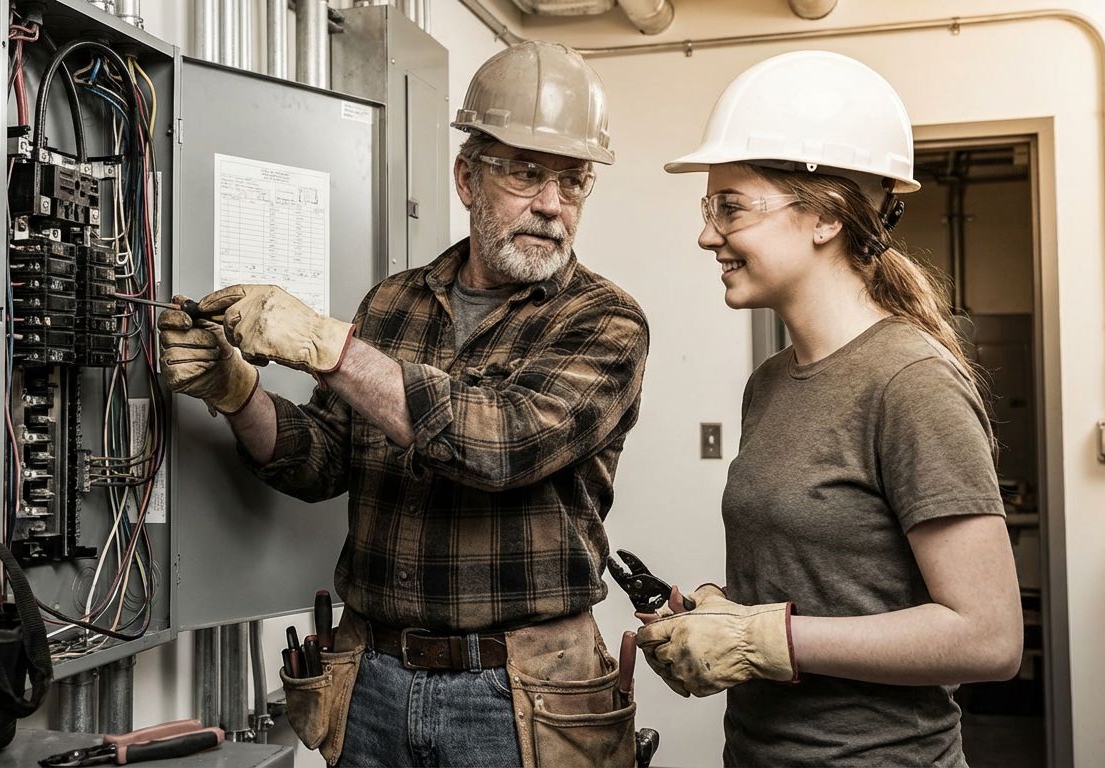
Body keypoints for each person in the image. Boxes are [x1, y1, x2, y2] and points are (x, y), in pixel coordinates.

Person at [160, 42, 649, 768]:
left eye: (572, 181)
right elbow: (323, 462)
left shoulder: (604, 320)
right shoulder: (393, 301)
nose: (552, 204)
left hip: (524, 693)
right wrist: (237, 393)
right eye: (525, 172)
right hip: (373, 680)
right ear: (467, 178)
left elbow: (502, 445)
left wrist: (328, 346)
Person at [636, 50, 1023, 766]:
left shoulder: (911, 380)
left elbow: (989, 638)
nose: (707, 234)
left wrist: (762, 638)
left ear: (824, 217)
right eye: (709, 208)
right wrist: (723, 617)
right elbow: (821, 589)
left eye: (730, 207)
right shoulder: (770, 382)